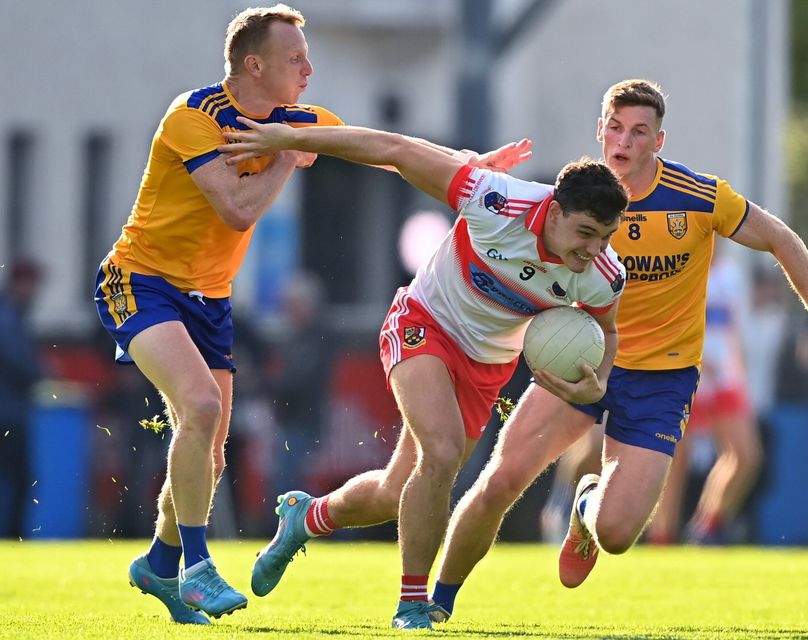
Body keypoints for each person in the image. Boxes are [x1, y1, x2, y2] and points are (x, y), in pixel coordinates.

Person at [93, 4, 529, 625]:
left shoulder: (298, 120)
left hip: (209, 298)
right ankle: (194, 567)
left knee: (209, 450)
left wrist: (467, 164)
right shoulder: (192, 117)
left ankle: (160, 563)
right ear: (254, 64)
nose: (309, 68)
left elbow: (384, 149)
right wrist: (282, 155)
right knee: (202, 408)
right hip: (141, 281)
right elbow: (238, 210)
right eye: (295, 58)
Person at [426, 78, 808, 620]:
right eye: (614, 127)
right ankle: (435, 604)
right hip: (578, 359)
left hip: (661, 381)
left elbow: (781, 238)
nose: (623, 141)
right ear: (600, 132)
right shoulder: (574, 197)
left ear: (659, 141)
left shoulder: (700, 198)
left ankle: (585, 508)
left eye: (638, 131)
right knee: (500, 480)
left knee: (615, 534)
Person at [218, 117, 628, 630]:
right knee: (439, 453)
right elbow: (393, 147)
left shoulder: (603, 273)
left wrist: (600, 378)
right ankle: (413, 604)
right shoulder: (495, 200)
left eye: (605, 237)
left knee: (398, 492)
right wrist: (291, 137)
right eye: (585, 233)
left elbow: (606, 333)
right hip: (423, 324)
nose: (593, 250)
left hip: (486, 368)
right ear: (555, 209)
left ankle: (306, 518)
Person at [646, 251, 763, 545]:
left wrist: (740, 373)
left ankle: (706, 526)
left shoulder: (731, 274)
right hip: (685, 371)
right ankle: (662, 535)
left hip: (725, 377)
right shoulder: (678, 267)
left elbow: (737, 329)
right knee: (675, 458)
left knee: (746, 455)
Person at [0, 258, 45, 539]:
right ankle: (14, 537)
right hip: (9, 413)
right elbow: (15, 358)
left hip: (10, 410)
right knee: (19, 477)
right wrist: (43, 372)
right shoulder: (9, 316)